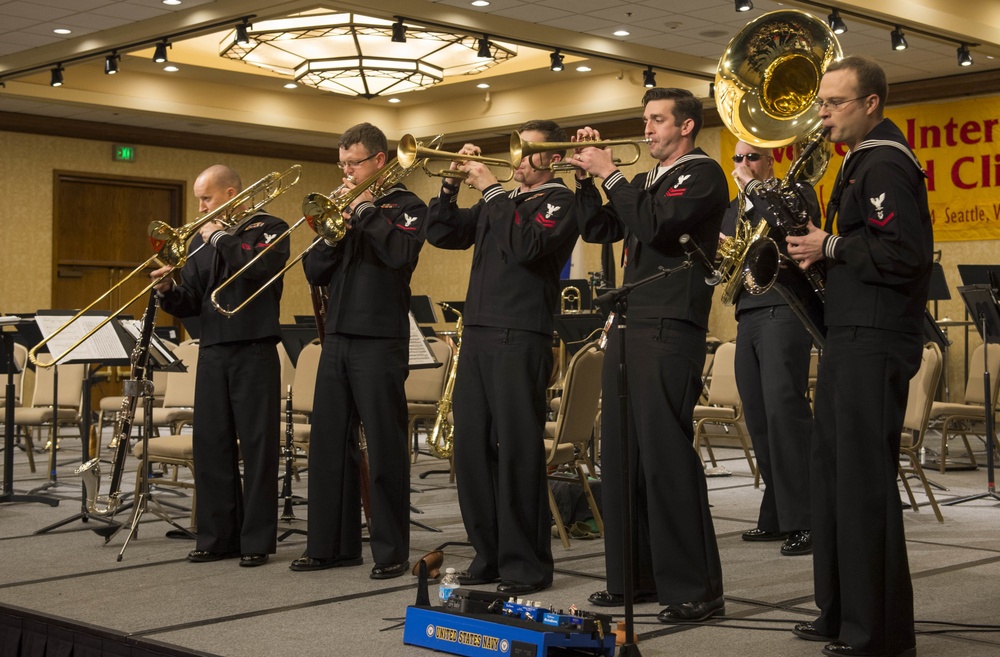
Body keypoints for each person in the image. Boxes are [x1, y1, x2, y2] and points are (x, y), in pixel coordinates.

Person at [785, 55, 932, 657]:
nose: (823, 114)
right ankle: (841, 612)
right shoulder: (861, 163)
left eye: (834, 103)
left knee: (863, 485)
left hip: (875, 340)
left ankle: (879, 633)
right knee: (834, 480)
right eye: (821, 103)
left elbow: (905, 254)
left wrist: (832, 243)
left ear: (870, 104)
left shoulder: (885, 165)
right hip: (851, 335)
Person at [566, 88, 727, 623]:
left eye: (657, 120)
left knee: (665, 458)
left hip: (669, 324)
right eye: (645, 119)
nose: (647, 129)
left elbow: (657, 225)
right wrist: (588, 181)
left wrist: (610, 174)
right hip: (630, 324)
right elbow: (600, 228)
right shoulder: (645, 181)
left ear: (685, 126)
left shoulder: (702, 174)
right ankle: (635, 578)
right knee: (623, 458)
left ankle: (695, 588)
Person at [425, 119, 579, 596]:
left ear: (552, 158)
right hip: (478, 335)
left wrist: (489, 190)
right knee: (471, 452)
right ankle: (488, 553)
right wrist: (450, 185)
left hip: (521, 335)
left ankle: (526, 565)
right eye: (515, 150)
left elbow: (525, 245)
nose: (515, 160)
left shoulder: (561, 202)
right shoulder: (504, 202)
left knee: (516, 452)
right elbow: (441, 233)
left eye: (526, 152)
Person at [291, 123, 425, 580]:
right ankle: (331, 546)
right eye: (342, 162)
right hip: (338, 338)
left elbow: (401, 255)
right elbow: (313, 271)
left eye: (354, 163)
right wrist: (332, 233)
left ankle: (391, 552)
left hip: (380, 340)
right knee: (329, 445)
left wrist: (365, 211)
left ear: (379, 161)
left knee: (385, 447)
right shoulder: (342, 209)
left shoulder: (408, 206)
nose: (346, 171)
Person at [151, 164, 289, 567]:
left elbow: (258, 268)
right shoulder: (199, 242)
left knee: (259, 447)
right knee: (210, 444)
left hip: (254, 348)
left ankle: (256, 541)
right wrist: (168, 292)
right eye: (198, 198)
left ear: (230, 194)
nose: (199, 207)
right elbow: (193, 301)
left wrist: (219, 236)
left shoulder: (270, 225)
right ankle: (217, 537)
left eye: (205, 198)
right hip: (212, 350)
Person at [721, 140, 818, 557]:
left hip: (785, 305)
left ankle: (809, 518)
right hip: (749, 311)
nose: (743, 165)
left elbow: (792, 234)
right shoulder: (732, 207)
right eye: (738, 158)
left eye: (752, 157)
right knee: (759, 417)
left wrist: (753, 190)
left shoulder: (794, 192)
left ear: (771, 160)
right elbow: (725, 257)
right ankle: (778, 512)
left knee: (785, 412)